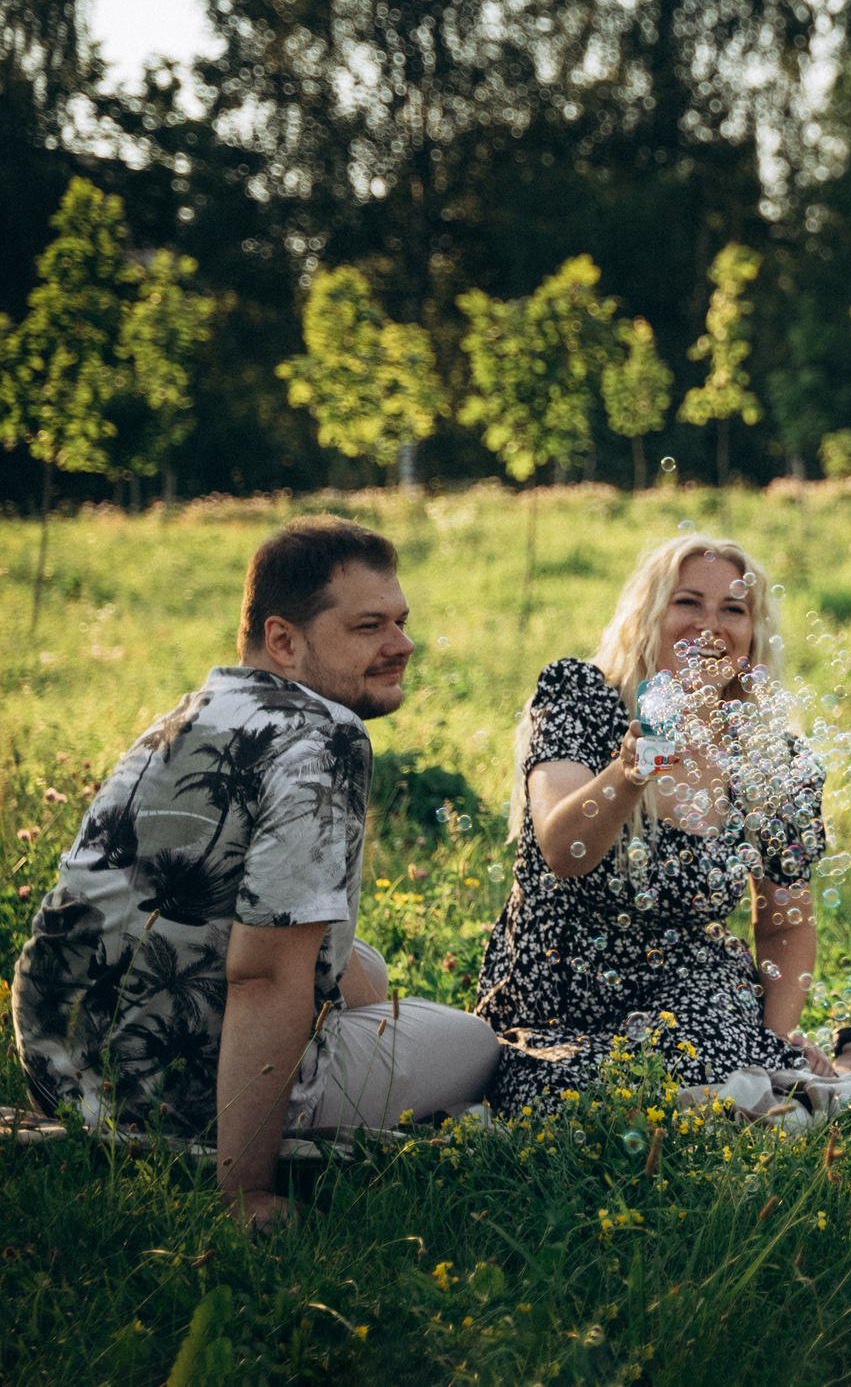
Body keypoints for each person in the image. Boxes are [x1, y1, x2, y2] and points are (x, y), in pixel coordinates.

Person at [11, 516, 499, 1228]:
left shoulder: (191, 712)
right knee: (474, 1040)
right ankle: (255, 1145)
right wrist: (245, 1191)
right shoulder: (327, 735)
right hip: (177, 1087)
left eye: (402, 620)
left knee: (367, 969)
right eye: (369, 626)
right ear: (283, 640)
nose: (404, 644)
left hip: (62, 1064)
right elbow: (263, 973)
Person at [473, 533, 840, 1114]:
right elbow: (561, 851)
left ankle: (747, 1065)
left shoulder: (774, 755)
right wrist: (632, 770)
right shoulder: (581, 697)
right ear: (649, 615)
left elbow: (785, 924)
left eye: (734, 609)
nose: (709, 626)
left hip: (691, 993)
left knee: (707, 1047)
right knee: (558, 1091)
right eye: (688, 602)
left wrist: (778, 1038)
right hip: (560, 988)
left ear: (752, 635)